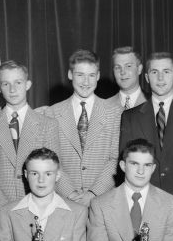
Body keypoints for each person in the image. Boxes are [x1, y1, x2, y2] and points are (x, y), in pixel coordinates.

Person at [0, 60, 61, 216]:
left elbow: (52, 170)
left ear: (28, 84)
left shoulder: (48, 125)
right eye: (6, 84)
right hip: (2, 212)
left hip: (40, 210)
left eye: (18, 83)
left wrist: (37, 208)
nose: (12, 89)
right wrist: (4, 210)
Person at [119, 52, 173, 200]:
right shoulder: (130, 117)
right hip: (144, 200)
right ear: (147, 78)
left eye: (166, 72)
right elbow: (127, 162)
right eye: (155, 72)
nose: (160, 78)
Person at [46, 49, 122, 207]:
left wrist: (93, 193)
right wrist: (70, 193)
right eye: (80, 75)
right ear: (69, 74)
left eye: (91, 75)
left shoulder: (116, 112)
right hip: (65, 200)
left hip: (104, 200)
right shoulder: (51, 113)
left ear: (98, 76)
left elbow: (116, 158)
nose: (86, 82)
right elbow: (51, 159)